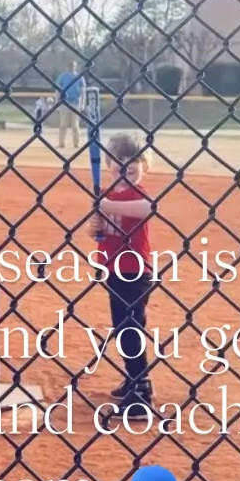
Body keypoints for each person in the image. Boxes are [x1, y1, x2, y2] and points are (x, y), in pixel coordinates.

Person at [91, 130, 155, 405]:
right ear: (109, 165)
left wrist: (104, 204)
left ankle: (140, 392)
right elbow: (100, 231)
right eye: (121, 160)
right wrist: (95, 226)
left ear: (144, 166)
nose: (128, 165)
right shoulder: (106, 195)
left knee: (129, 328)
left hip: (135, 271)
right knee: (124, 328)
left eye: (135, 161)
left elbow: (147, 208)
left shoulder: (137, 193)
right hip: (114, 270)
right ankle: (135, 379)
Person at [55, 66, 87, 152]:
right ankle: (61, 143)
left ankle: (76, 144)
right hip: (65, 103)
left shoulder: (80, 77)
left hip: (75, 103)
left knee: (75, 126)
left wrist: (82, 103)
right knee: (63, 125)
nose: (72, 67)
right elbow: (57, 89)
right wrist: (57, 102)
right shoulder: (63, 76)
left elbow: (83, 91)